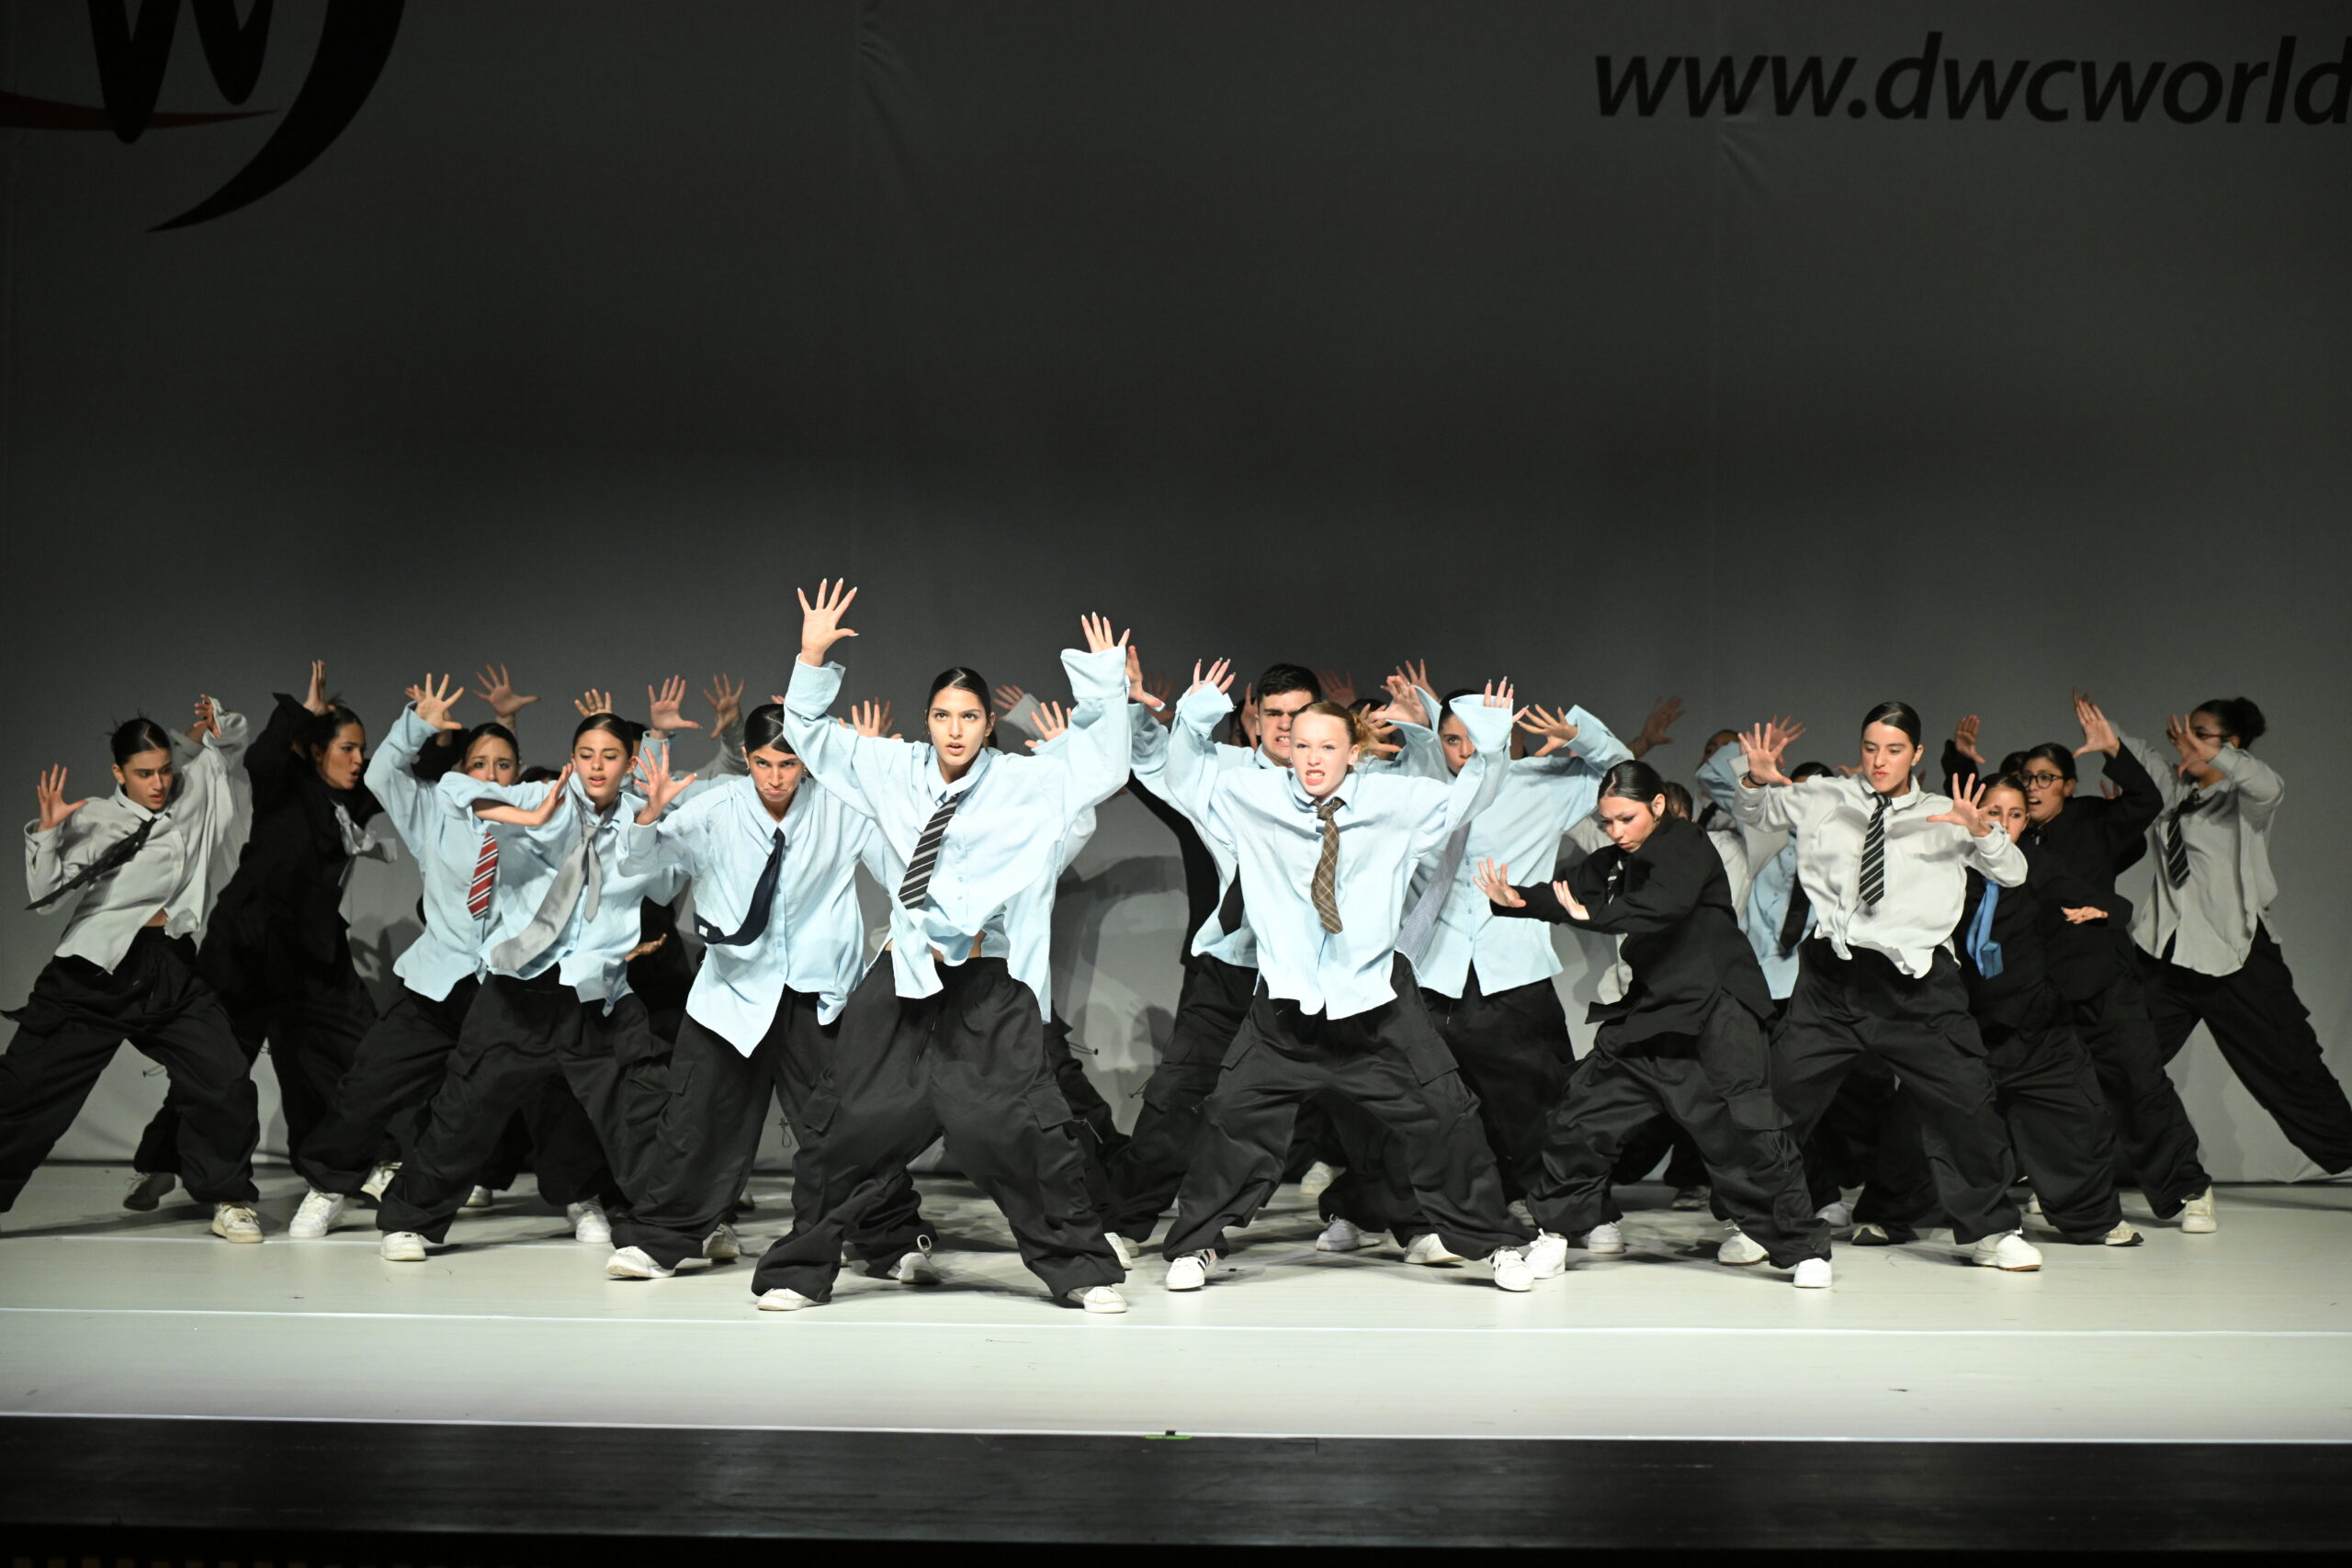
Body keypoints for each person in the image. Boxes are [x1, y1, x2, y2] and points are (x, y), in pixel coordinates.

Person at [747, 582, 1134, 1315]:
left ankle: (1081, 1267)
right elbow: (812, 737)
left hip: (985, 985)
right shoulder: (893, 769)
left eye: (970, 716)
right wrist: (812, 657)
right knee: (846, 1124)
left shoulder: (1022, 782)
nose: (956, 730)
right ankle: (800, 1268)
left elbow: (1104, 768)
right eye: (943, 716)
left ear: (988, 724)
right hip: (903, 977)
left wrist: (1105, 685)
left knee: (1022, 1128)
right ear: (927, 720)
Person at [1153, 664, 1536, 1293]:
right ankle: (1196, 1245)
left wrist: (1492, 748)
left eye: (1327, 747)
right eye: (1302, 745)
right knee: (1231, 1117)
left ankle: (1493, 1241)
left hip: (1376, 1006)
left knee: (1447, 1114)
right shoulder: (1254, 798)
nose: (1312, 758)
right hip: (1285, 1010)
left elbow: (1468, 799)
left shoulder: (1395, 802)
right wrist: (1192, 723)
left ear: (1352, 752)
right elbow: (1185, 780)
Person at [602, 699, 940, 1283]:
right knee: (696, 1122)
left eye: (787, 764)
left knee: (846, 1125)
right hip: (730, 994)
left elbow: (903, 874)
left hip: (817, 994)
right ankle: (661, 1238)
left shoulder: (842, 808)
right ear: (748, 758)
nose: (775, 777)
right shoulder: (716, 807)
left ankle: (887, 1241)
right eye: (763, 763)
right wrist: (648, 817)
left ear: (805, 762)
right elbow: (645, 870)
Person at [1476, 760, 1830, 1288]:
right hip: (1653, 1013)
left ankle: (1804, 1249)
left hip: (1718, 1009)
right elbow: (1569, 893)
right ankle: (1555, 1235)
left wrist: (1590, 916)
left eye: (1627, 818)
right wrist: (1518, 900)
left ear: (1657, 806)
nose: (1616, 831)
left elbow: (1663, 905)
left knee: (1748, 1130)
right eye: (1607, 821)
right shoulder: (1614, 862)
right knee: (1580, 1117)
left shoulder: (1686, 843)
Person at [284, 674, 616, 1240]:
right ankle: (328, 1186)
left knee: (552, 1094)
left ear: (518, 773)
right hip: (441, 981)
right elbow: (384, 774)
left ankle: (580, 1197)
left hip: (513, 989)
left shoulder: (542, 820)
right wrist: (417, 725)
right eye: (479, 764)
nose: (492, 774)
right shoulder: (435, 813)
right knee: (370, 1084)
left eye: (504, 765)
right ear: (462, 771)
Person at [1314, 688, 1633, 1263]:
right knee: (1413, 1106)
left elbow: (1621, 773)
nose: (1464, 752)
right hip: (1427, 970)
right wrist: (1394, 735)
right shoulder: (1418, 787)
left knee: (1540, 1105)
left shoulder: (1542, 784)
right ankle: (1389, 1214)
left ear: (1505, 737)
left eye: (1476, 738)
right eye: (1451, 739)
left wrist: (1581, 735)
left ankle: (1582, 1212)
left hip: (1513, 969)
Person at [1729, 704, 2045, 1272]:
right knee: (1780, 1098)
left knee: (1966, 1103)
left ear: (1916, 754)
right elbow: (1756, 809)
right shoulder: (1825, 796)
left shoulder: (1947, 812)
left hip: (1917, 985)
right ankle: (1761, 1223)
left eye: (1894, 750)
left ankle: (1991, 1230)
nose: (1880, 761)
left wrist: (1981, 831)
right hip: (1833, 979)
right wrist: (1755, 778)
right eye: (1871, 748)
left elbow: (2013, 872)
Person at [373, 708, 694, 1261]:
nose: (596, 766)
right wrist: (529, 816)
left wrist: (650, 821)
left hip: (595, 994)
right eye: (586, 755)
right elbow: (452, 790)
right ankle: (410, 1221)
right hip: (518, 990)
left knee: (639, 1113)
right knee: (464, 1108)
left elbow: (665, 887)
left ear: (629, 763)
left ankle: (671, 1227)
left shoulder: (644, 816)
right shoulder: (539, 796)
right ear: (573, 759)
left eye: (610, 756)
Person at [2, 699, 266, 1241]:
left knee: (224, 1076)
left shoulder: (195, 793)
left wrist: (216, 720)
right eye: (144, 774)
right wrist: (48, 833)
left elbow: (231, 742)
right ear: (119, 773)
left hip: (169, 966)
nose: (159, 783)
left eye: (165, 769)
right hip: (95, 972)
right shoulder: (96, 817)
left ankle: (229, 1198)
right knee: (25, 1092)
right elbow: (47, 898)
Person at [1947, 695, 2215, 1231]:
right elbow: (1970, 808)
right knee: (2046, 1099)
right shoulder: (2005, 839)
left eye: (2047, 778)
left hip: (2099, 982)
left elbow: (2144, 802)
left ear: (2069, 786)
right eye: (2028, 778)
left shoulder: (2093, 819)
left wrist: (2113, 750)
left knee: (2138, 1083)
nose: (2035, 786)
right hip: (2039, 994)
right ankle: (2055, 1190)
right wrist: (1959, 762)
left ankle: (2186, 1187)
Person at [129, 662, 385, 1206]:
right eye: (347, 748)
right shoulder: (283, 784)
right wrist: (303, 713)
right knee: (219, 1066)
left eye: (362, 750)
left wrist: (439, 732)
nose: (359, 759)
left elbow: (402, 771)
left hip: (312, 956)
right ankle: (164, 1160)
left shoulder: (352, 799)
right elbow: (265, 755)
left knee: (349, 1054)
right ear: (315, 750)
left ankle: (349, 1164)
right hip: (246, 948)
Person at [1858, 772, 2143, 1248]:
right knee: (1920, 1118)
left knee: (2074, 1118)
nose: (2004, 824)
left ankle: (2091, 1217)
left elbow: (2090, 895)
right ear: (1974, 812)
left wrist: (2103, 911)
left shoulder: (2034, 863)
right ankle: (1886, 1213)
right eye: (1994, 812)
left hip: (2030, 1020)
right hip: (1957, 1019)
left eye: (2016, 815)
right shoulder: (1945, 859)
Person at [2127, 697, 2352, 1178]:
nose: (2186, 742)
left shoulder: (2245, 799)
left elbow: (2268, 785)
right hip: (2167, 956)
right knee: (2121, 1058)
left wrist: (2215, 756)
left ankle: (2346, 1152)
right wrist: (2107, 735)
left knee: (2290, 1069)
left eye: (2200, 734)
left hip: (2236, 957)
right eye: (2185, 732)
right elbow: (2141, 756)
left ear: (2230, 744)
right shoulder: (2177, 791)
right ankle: (2073, 1172)